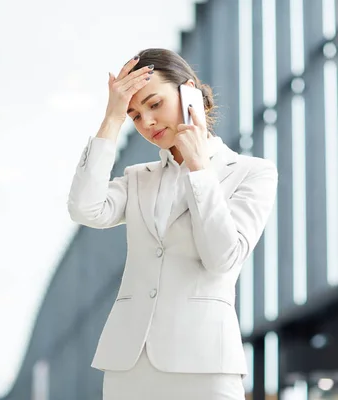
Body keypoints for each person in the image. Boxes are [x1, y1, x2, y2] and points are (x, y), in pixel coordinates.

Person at [67, 48, 278, 400]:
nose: (147, 122)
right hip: (129, 366)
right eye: (135, 114)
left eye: (154, 104)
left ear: (189, 92)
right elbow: (85, 209)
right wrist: (112, 119)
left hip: (205, 364)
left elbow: (222, 258)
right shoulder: (138, 179)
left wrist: (199, 169)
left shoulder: (251, 173)